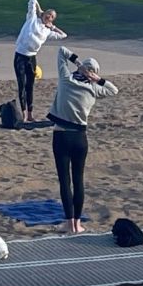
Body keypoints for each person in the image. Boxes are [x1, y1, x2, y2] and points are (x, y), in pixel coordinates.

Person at [46, 46, 118, 235]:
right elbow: (113, 90)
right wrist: (98, 79)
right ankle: (78, 224)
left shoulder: (66, 79)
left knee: (65, 180)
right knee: (78, 180)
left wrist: (78, 63)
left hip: (61, 136)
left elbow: (62, 50)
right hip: (80, 139)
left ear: (82, 70)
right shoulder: (94, 89)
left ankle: (69, 224)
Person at [14, 0, 67, 123]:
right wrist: (40, 10)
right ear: (44, 14)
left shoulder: (48, 32)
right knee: (21, 85)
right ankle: (24, 114)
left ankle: (30, 114)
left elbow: (63, 35)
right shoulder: (32, 18)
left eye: (52, 16)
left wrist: (53, 27)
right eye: (48, 14)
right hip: (20, 56)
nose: (49, 16)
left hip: (31, 58)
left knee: (30, 86)